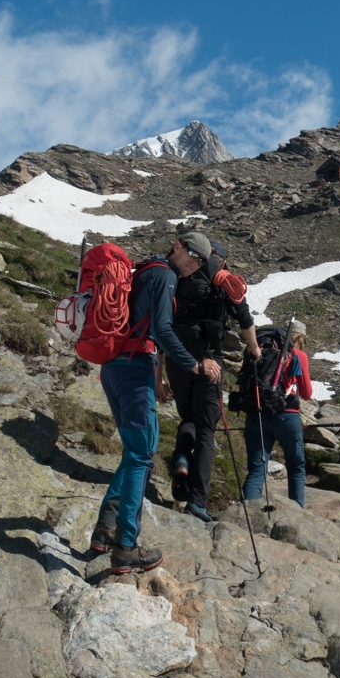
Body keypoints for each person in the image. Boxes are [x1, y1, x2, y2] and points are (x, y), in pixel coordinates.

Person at [88, 239, 222, 573]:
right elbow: (162, 328)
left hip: (112, 367)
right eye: (195, 259)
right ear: (182, 250)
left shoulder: (142, 270)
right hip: (135, 369)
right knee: (141, 456)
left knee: (133, 452)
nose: (194, 266)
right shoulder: (166, 277)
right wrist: (194, 365)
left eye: (199, 264)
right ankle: (127, 547)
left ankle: (105, 530)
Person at [163, 231, 260, 524]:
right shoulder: (223, 281)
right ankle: (197, 502)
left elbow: (161, 327)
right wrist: (254, 349)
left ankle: (181, 458)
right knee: (206, 429)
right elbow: (244, 318)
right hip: (209, 364)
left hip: (177, 361)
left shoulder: (174, 278)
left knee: (188, 418)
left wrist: (159, 377)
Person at [242, 320, 314, 508]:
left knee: (257, 469)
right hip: (287, 415)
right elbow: (306, 394)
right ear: (302, 339)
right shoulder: (298, 355)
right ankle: (296, 512)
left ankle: (247, 514)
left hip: (257, 413)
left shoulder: (261, 350)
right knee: (296, 465)